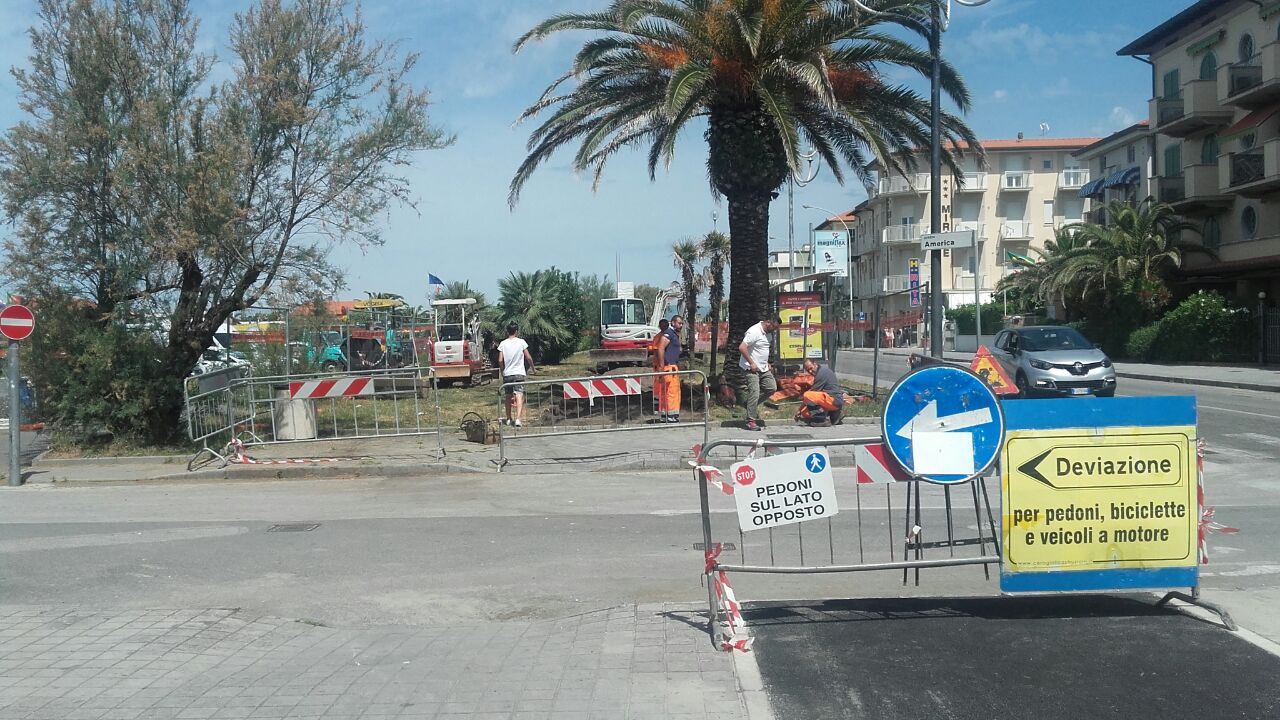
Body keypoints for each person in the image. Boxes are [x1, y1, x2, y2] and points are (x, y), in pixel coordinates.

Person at [738, 314, 781, 432]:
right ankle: (750, 420)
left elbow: (763, 349)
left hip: (763, 368)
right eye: (774, 327)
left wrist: (767, 362)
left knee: (772, 387)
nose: (774, 330)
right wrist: (751, 363)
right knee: (755, 392)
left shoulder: (768, 333)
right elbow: (742, 347)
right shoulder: (754, 331)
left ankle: (749, 404)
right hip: (749, 368)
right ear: (768, 322)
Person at [497, 323, 535, 427]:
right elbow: (528, 357)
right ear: (516, 331)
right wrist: (533, 368)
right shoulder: (521, 342)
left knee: (508, 396)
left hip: (508, 374)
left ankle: (509, 418)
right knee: (519, 394)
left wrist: (502, 370)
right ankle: (518, 419)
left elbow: (500, 360)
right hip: (519, 373)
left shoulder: (503, 343)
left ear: (507, 331)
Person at [797, 358, 846, 427]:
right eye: (808, 370)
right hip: (832, 401)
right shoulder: (821, 371)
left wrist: (799, 410)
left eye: (811, 368)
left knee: (807, 395)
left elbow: (810, 395)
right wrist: (801, 410)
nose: (810, 371)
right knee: (805, 412)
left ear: (815, 364)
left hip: (834, 400)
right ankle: (835, 414)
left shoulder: (821, 373)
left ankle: (821, 420)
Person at [654, 315, 684, 423]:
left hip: (669, 367)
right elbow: (660, 347)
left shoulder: (673, 334)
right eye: (679, 323)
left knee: (665, 392)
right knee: (672, 392)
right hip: (669, 367)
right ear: (673, 322)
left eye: (681, 324)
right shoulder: (669, 334)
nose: (681, 325)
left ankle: (665, 415)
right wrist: (662, 365)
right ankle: (671, 415)